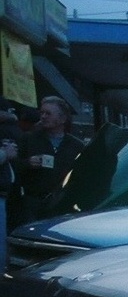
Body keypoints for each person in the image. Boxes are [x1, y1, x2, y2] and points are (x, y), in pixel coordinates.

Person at [18, 95, 84, 224]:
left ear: (62, 118)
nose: (43, 117)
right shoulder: (28, 139)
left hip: (64, 206)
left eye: (48, 113)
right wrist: (28, 163)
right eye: (42, 112)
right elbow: (13, 167)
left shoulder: (76, 145)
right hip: (33, 204)